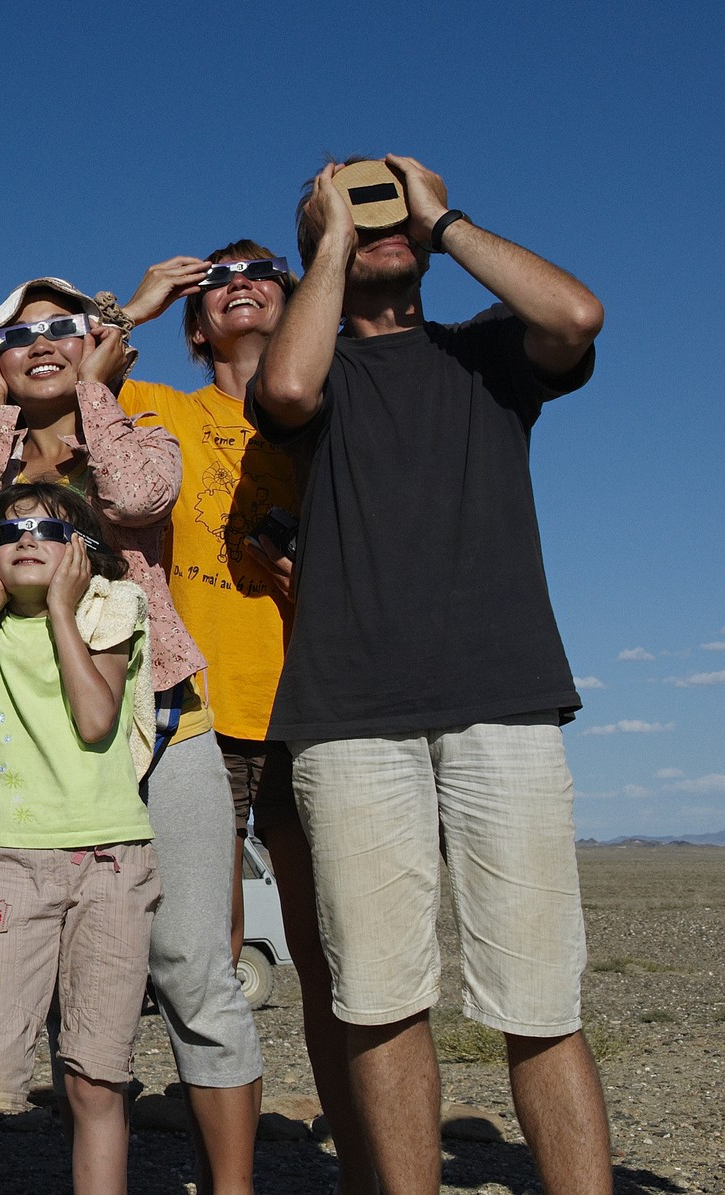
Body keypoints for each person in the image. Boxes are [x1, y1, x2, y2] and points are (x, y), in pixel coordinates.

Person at [248, 154, 608, 1195]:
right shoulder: (313, 375)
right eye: (360, 217)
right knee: (378, 997)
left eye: (392, 214)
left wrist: (442, 219)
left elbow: (577, 313)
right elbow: (284, 384)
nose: (383, 227)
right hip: (350, 716)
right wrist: (330, 240)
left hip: (504, 699)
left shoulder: (490, 353)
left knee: (540, 999)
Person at [0, 277, 264, 1195]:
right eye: (17, 334)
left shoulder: (136, 431)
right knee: (37, 999)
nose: (40, 340)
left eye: (61, 328)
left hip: (160, 716)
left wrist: (95, 393)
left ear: (97, 344)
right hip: (53, 751)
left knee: (195, 967)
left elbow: (139, 493)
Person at [118, 244, 375, 1191]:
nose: (238, 280)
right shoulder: (167, 410)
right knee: (207, 951)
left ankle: (364, 1162)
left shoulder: (332, 417)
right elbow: (72, 389)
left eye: (262, 267)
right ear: (196, 323)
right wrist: (138, 302)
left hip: (316, 702)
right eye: (216, 276)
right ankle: (225, 1172)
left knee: (330, 953)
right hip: (199, 711)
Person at [0, 483, 158, 1195]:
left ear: (82, 552)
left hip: (112, 859)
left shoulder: (111, 608)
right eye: (9, 528)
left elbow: (93, 719)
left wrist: (58, 608)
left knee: (95, 1076)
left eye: (49, 528)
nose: (27, 537)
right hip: (13, 863)